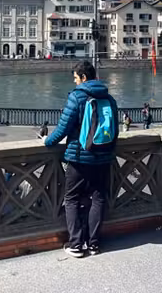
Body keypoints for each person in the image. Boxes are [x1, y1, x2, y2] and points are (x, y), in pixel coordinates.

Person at [44, 61, 119, 258]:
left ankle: (76, 244)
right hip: (103, 158)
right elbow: (115, 131)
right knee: (99, 198)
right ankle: (93, 244)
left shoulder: (77, 97)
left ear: (84, 77)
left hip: (79, 158)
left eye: (76, 78)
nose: (75, 82)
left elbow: (62, 129)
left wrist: (47, 141)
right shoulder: (109, 98)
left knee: (71, 199)